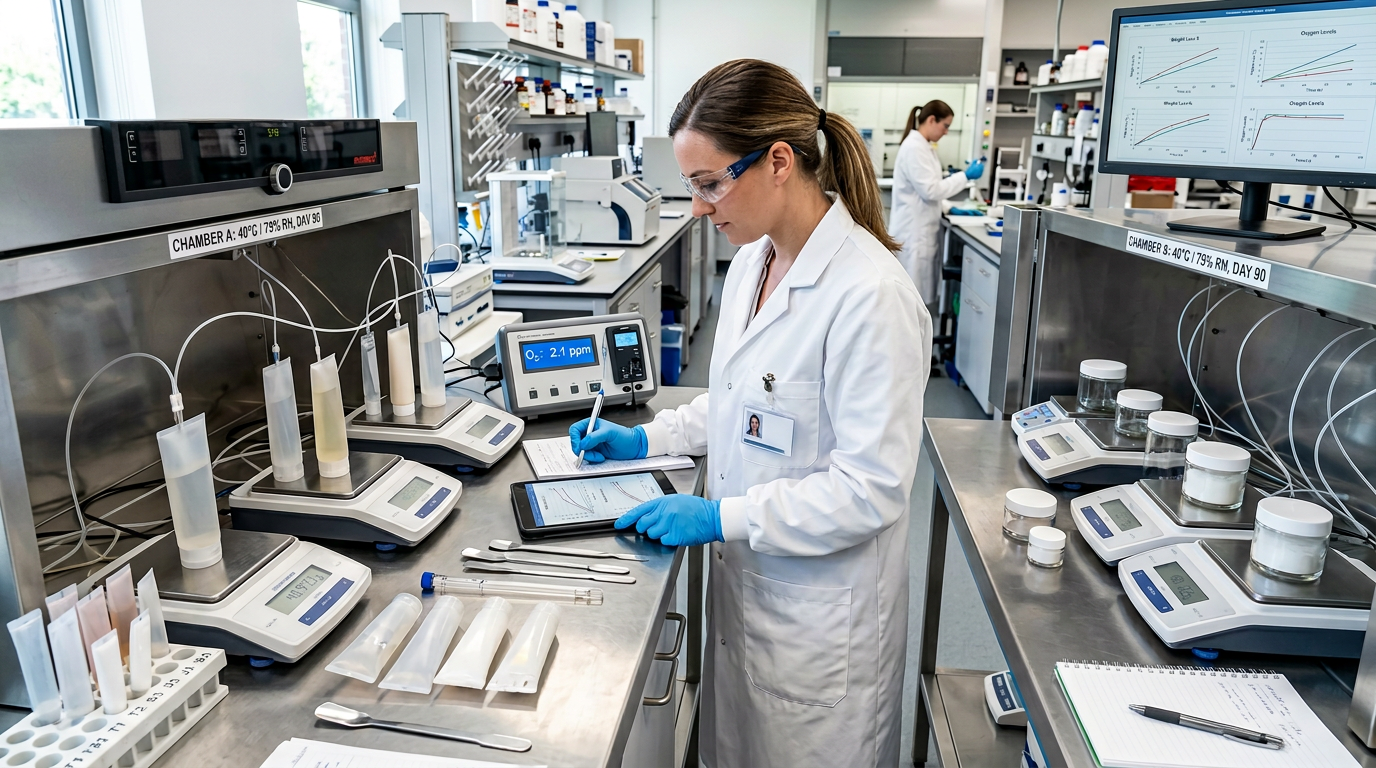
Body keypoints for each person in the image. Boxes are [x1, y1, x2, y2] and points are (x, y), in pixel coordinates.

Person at [569, 59, 930, 768]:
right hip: (753, 603)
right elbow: (742, 404)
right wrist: (646, 438)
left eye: (709, 183)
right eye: (692, 186)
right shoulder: (751, 264)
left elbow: (871, 490)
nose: (698, 208)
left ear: (778, 162)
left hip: (820, 628)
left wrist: (719, 516)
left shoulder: (869, 296)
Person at [888, 100, 985, 306]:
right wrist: (965, 176)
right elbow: (930, 190)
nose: (946, 132)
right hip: (913, 236)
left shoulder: (925, 147)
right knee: (910, 301)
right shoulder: (914, 148)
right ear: (932, 120)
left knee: (918, 300)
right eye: (945, 126)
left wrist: (949, 207)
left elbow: (927, 191)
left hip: (921, 233)